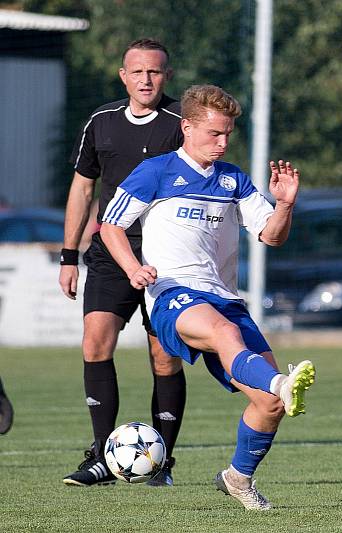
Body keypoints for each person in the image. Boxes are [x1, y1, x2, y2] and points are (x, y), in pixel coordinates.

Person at [100, 84, 316, 511]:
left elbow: (271, 236)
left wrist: (285, 205)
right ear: (187, 127)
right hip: (172, 294)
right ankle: (279, 380)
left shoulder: (234, 179)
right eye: (214, 133)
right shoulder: (156, 171)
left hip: (224, 298)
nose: (222, 142)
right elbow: (110, 226)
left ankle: (237, 477)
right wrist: (132, 269)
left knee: (270, 406)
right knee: (224, 333)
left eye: (228, 134)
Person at [59, 38, 186, 486]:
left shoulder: (179, 124)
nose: (145, 80)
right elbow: (82, 189)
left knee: (164, 356)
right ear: (123, 75)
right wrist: (69, 255)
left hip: (165, 256)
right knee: (95, 342)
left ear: (166, 76)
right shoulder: (101, 122)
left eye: (154, 72)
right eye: (137, 72)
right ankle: (100, 455)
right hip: (111, 252)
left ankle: (161, 461)